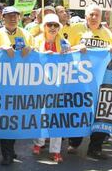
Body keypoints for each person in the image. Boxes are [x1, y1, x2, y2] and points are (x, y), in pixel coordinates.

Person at [0, 6, 33, 166]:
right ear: (3, 18)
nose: (13, 18)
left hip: (21, 84)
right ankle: (6, 153)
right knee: (4, 119)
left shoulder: (26, 34)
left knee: (15, 119)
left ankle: (11, 148)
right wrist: (1, 49)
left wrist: (30, 49)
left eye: (15, 16)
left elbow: (37, 53)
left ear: (19, 18)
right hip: (2, 84)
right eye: (9, 16)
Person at [69, 4, 112, 160]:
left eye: (97, 15)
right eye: (91, 14)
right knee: (79, 110)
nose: (94, 17)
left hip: (100, 81)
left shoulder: (107, 32)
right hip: (80, 80)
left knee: (101, 113)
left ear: (101, 16)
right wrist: (77, 47)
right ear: (86, 15)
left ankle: (95, 147)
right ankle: (74, 142)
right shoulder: (75, 29)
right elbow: (65, 48)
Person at [32, 13, 70, 163]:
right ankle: (38, 143)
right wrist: (42, 55)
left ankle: (55, 150)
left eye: (55, 25)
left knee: (56, 117)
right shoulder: (36, 41)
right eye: (50, 25)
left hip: (59, 85)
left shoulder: (64, 42)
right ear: (44, 27)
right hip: (40, 84)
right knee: (40, 114)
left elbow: (72, 58)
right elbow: (29, 58)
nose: (53, 28)